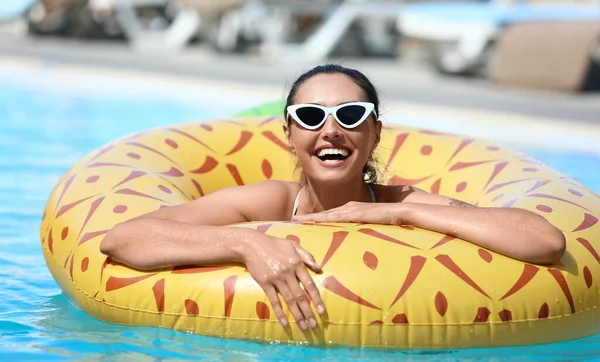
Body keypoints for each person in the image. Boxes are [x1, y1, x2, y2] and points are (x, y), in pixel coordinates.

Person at [100, 64, 566, 332]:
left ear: (375, 132)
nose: (330, 130)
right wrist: (247, 244)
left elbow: (544, 240)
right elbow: (125, 237)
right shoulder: (267, 205)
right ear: (288, 134)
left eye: (349, 114)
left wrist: (397, 212)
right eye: (309, 116)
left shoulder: (403, 199)